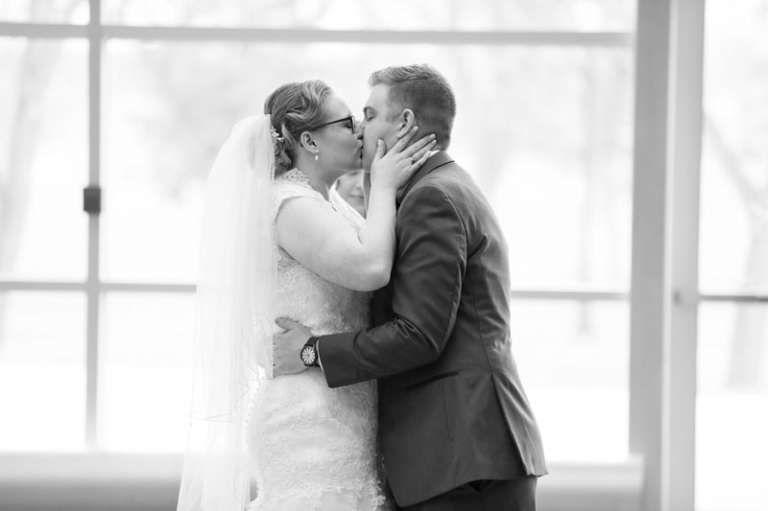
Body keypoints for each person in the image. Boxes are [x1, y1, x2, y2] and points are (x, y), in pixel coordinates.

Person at [273, 64, 548, 510]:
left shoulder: (432, 198)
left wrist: (311, 352)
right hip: (453, 457)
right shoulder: (434, 188)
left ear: (404, 124)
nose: (360, 128)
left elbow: (419, 335)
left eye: (368, 113)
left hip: (461, 458)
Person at [177, 80, 436, 511]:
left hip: (343, 408)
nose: (359, 131)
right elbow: (371, 268)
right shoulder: (289, 204)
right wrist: (386, 186)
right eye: (347, 121)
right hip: (309, 418)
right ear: (308, 139)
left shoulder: (330, 202)